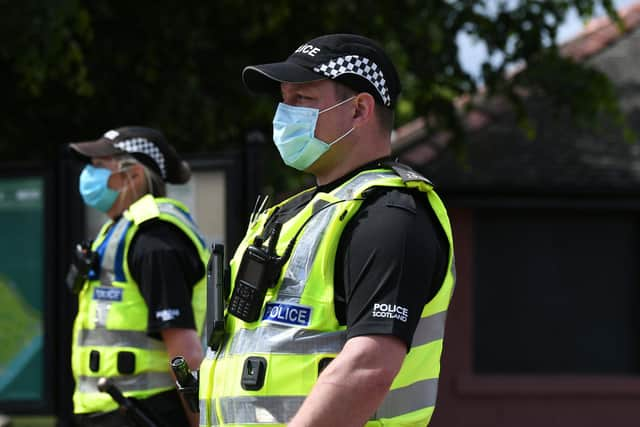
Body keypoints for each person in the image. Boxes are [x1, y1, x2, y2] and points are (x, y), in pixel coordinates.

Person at [198, 33, 455, 427]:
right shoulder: (292, 214)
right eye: (284, 99)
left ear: (359, 110)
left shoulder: (390, 217)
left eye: (303, 99)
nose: (285, 113)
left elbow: (368, 366)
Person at [67, 126, 208, 427]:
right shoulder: (121, 231)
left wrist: (202, 423)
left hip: (148, 412)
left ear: (133, 175)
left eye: (99, 166)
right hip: (111, 411)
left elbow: (184, 353)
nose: (89, 175)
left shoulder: (155, 240)